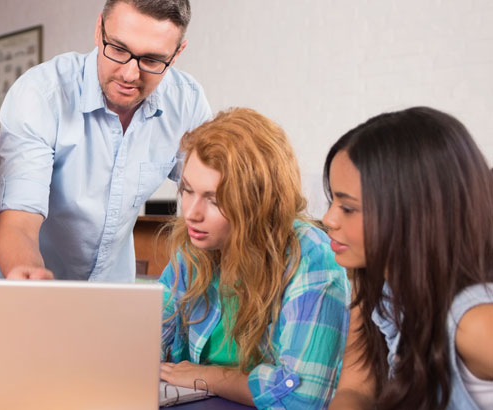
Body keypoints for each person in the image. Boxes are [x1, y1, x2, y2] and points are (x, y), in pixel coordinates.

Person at [0, 0, 212, 281]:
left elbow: (216, 193)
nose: (129, 74)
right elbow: (19, 222)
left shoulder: (187, 102)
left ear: (176, 54)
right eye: (119, 49)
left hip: (110, 291)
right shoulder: (41, 94)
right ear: (99, 30)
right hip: (21, 284)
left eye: (151, 60)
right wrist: (32, 281)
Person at [158, 108, 350, 408]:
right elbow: (147, 344)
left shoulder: (312, 257)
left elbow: (300, 399)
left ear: (258, 201)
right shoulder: (193, 247)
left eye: (215, 199)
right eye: (187, 190)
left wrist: (212, 376)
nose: (191, 213)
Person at [324, 107, 493, 410]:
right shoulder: (377, 290)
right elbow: (356, 390)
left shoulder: (475, 324)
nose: (328, 219)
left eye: (347, 208)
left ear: (414, 215)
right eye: (331, 201)